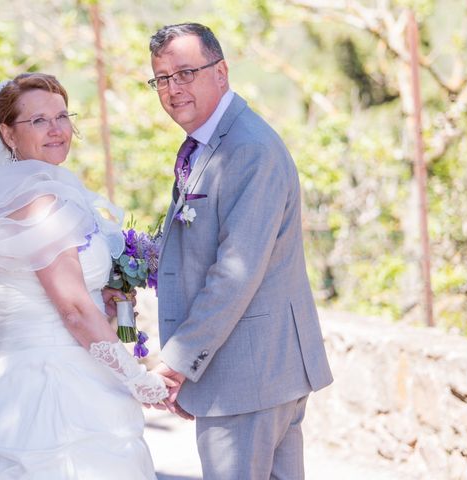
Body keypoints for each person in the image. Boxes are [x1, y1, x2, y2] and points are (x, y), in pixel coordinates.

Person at [0, 73, 169, 479]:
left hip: (67, 364)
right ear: (8, 133)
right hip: (44, 382)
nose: (57, 130)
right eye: (38, 121)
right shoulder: (36, 201)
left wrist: (110, 298)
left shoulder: (33, 189)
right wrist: (137, 378)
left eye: (62, 116)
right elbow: (73, 309)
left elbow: (80, 297)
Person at [147, 23, 334, 479]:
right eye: (162, 79)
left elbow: (237, 271)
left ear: (222, 72)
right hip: (256, 373)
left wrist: (176, 362)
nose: (173, 89)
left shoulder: (248, 149)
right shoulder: (211, 142)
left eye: (186, 73)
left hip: (249, 375)